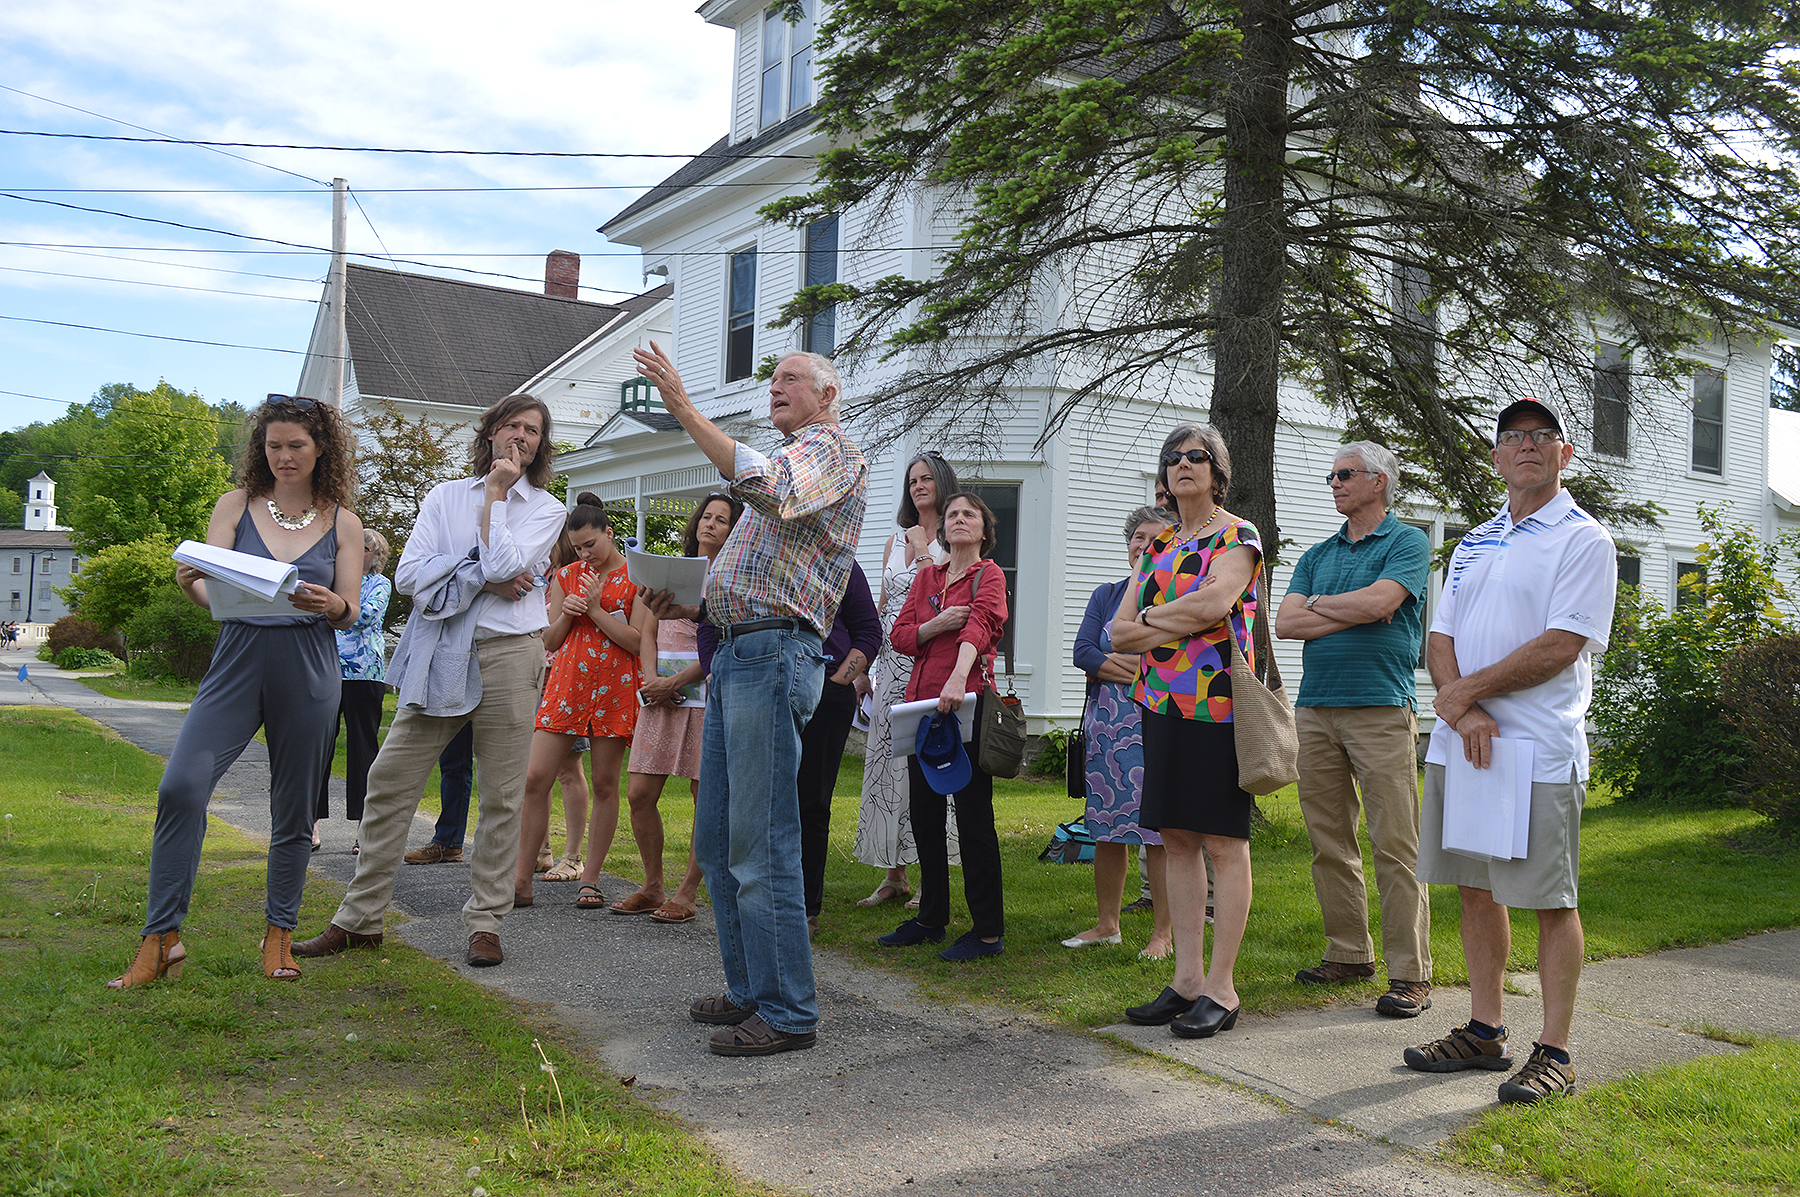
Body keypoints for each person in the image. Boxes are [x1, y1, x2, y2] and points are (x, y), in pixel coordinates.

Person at [632, 341, 867, 1058]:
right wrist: (691, 602)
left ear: (827, 394)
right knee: (718, 838)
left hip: (771, 656)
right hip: (737, 650)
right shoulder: (793, 454)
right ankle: (750, 990)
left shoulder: (831, 450)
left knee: (763, 840)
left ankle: (790, 1010)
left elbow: (770, 487)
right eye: (772, 380)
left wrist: (682, 409)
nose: (775, 387)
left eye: (791, 377)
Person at [295, 393, 565, 969]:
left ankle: (485, 923)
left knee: (501, 796)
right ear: (490, 432)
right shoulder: (443, 496)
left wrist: (495, 499)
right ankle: (361, 919)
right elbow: (411, 577)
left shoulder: (548, 509)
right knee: (390, 780)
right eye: (512, 425)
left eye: (534, 430)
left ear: (541, 445)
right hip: (444, 650)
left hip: (512, 654)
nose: (522, 436)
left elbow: (506, 570)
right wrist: (481, 573)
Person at [110, 394, 364, 987]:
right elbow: (209, 588)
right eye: (273, 445)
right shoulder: (235, 506)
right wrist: (192, 586)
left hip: (308, 662)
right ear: (261, 448)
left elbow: (348, 608)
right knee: (181, 787)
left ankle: (279, 936)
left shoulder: (343, 521)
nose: (283, 456)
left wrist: (333, 604)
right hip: (237, 655)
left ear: (321, 448)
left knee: (295, 808)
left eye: (296, 445)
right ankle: (161, 936)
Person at [1404, 398, 1616, 1104]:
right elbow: (1441, 639)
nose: (1527, 446)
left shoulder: (1584, 540)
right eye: (1513, 437)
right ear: (1496, 456)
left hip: (1538, 751)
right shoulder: (1475, 540)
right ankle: (1485, 1030)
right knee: (1473, 887)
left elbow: (1561, 644)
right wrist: (1463, 711)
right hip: (1467, 746)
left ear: (1565, 453)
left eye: (1542, 437)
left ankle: (1556, 1051)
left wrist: (1467, 700)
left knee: (1549, 900)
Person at [1274, 441, 1435, 1017]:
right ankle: (1348, 952)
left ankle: (1411, 973)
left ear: (1380, 481)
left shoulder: (1408, 542)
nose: (1334, 483)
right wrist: (1352, 605)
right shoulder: (1317, 555)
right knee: (1329, 842)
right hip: (1314, 709)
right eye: (1331, 476)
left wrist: (1336, 608)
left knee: (1396, 842)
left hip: (1381, 709)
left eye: (1345, 474)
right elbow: (1286, 622)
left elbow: (1385, 601)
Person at [1116, 423, 1262, 1039]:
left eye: (1196, 456)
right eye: (1173, 458)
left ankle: (1223, 989)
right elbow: (1117, 635)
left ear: (1217, 470)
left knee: (1224, 843)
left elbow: (1216, 604)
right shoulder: (1158, 546)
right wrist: (1168, 620)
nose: (1183, 465)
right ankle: (1186, 981)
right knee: (1175, 838)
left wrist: (1152, 622)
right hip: (1161, 706)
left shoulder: (1240, 535)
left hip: (1219, 709)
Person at [880, 492, 1010, 961]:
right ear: (942, 529)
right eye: (952, 514)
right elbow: (900, 636)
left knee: (975, 820)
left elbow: (982, 625)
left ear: (983, 529)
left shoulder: (988, 575)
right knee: (925, 816)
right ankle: (931, 918)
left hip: (965, 706)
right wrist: (936, 625)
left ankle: (988, 932)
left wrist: (957, 679)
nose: (958, 519)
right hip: (921, 709)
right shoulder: (927, 577)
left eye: (968, 514)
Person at [513, 495, 648, 910]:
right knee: (536, 778)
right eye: (577, 547)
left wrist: (595, 610)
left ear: (609, 532)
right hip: (568, 686)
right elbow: (549, 640)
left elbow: (639, 642)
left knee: (606, 784)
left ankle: (589, 878)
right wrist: (568, 614)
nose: (584, 553)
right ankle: (520, 880)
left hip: (614, 688)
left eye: (591, 543)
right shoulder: (567, 575)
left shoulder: (636, 577)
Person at [629, 492, 744, 924]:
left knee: (705, 800)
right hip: (658, 695)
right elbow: (647, 632)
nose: (711, 524)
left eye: (722, 520)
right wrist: (650, 681)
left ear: (734, 531)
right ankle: (652, 883)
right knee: (639, 794)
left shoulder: (732, 578)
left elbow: (722, 641)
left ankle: (687, 892)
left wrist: (676, 681)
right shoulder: (670, 571)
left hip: (705, 696)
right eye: (707, 516)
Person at [1064, 505, 1173, 958]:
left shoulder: (1174, 597)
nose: (1144, 546)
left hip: (1159, 724)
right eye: (1137, 538)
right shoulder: (1106, 594)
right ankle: (1108, 924)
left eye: (1154, 539)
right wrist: (1139, 669)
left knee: (1163, 833)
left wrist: (1123, 668)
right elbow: (1083, 652)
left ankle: (1163, 934)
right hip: (1108, 728)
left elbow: (1171, 664)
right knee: (1107, 828)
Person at [855, 451, 961, 907]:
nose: (918, 485)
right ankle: (892, 873)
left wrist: (922, 553)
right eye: (912, 480)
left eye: (926, 478)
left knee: (928, 765)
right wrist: (865, 669)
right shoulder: (893, 540)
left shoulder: (957, 536)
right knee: (887, 768)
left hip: (934, 666)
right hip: (892, 665)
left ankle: (929, 872)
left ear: (942, 482)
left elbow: (944, 601)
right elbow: (882, 608)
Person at [796, 559, 880, 935]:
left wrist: (838, 680)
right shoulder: (759, 553)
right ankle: (760, 900)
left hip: (827, 696)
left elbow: (867, 632)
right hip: (764, 687)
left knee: (811, 802)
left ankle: (805, 907)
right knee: (759, 801)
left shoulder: (839, 563)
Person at [314, 527, 393, 856]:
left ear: (376, 556)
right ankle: (310, 824)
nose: (355, 552)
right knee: (318, 749)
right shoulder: (331, 581)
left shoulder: (380, 584)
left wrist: (333, 608)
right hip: (326, 671)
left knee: (363, 751)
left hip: (365, 675)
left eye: (364, 548)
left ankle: (364, 828)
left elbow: (366, 616)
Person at [403, 726, 473, 865]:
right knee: (454, 763)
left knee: (497, 767)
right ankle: (449, 843)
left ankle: (503, 849)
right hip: (455, 706)